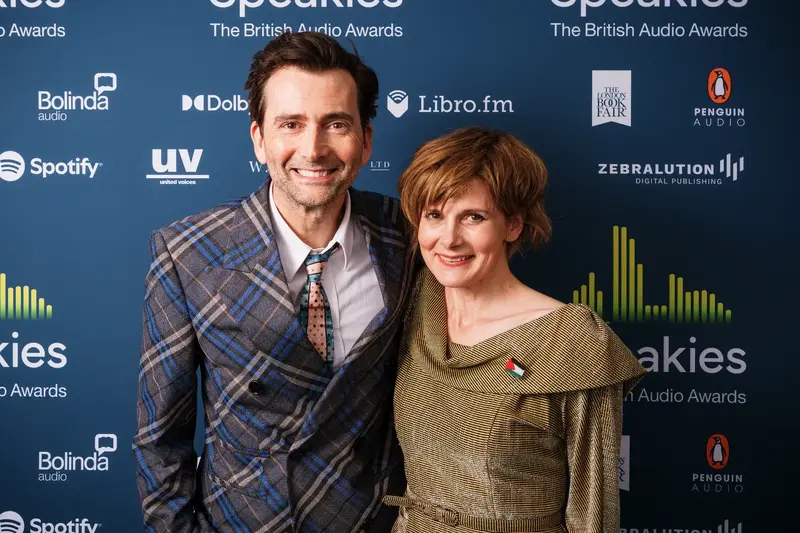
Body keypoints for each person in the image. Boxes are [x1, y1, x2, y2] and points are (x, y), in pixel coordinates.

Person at [132, 32, 416, 533]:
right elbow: (161, 441)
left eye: (336, 124)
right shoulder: (187, 252)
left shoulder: (410, 236)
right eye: (291, 124)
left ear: (366, 140)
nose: (314, 148)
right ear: (259, 138)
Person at [382, 127, 647, 533]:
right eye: (434, 215)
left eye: (473, 217)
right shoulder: (418, 300)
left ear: (513, 225)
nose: (449, 239)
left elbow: (593, 515)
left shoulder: (573, 343)